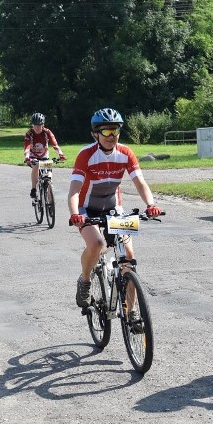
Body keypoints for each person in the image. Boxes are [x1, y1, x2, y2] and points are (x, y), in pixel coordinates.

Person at [67, 108, 163, 308]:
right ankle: (85, 280)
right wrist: (75, 214)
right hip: (86, 209)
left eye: (116, 131)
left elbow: (140, 183)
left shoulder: (126, 153)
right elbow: (74, 190)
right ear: (96, 134)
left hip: (113, 208)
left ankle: (132, 312)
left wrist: (151, 204)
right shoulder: (86, 154)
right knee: (97, 245)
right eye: (106, 132)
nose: (112, 136)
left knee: (129, 257)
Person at [23, 112, 65, 198]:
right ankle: (33, 189)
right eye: (35, 125)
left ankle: (49, 191)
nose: (37, 128)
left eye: (39, 125)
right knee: (36, 166)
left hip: (44, 157)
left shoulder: (47, 132)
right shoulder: (29, 133)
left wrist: (61, 154)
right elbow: (27, 147)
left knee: (48, 170)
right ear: (32, 125)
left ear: (43, 125)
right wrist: (27, 157)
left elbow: (55, 144)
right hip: (32, 157)